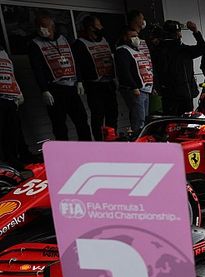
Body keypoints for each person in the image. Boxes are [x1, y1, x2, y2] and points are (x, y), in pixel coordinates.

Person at [27, 13, 90, 141]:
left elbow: (75, 60)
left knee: (81, 120)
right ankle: (63, 154)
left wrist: (79, 80)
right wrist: (44, 89)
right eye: (38, 26)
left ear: (52, 26)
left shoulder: (65, 39)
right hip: (54, 89)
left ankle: (87, 149)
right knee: (59, 124)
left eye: (44, 26)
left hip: (71, 86)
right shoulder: (35, 44)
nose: (41, 29)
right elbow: (37, 69)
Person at [72, 15, 117, 140]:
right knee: (98, 115)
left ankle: (112, 140)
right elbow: (77, 65)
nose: (101, 27)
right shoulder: (80, 43)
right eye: (98, 25)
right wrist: (79, 81)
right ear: (91, 27)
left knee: (112, 113)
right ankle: (98, 142)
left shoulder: (105, 40)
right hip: (94, 85)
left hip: (109, 83)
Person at [154, 19, 205, 115]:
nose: (179, 35)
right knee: (172, 122)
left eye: (179, 32)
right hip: (171, 94)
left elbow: (203, 49)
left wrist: (196, 32)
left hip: (186, 93)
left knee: (187, 121)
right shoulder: (161, 50)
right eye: (176, 33)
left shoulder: (183, 49)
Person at [115, 28, 154, 135]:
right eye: (132, 36)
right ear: (125, 37)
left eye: (137, 36)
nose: (136, 38)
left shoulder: (137, 50)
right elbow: (124, 71)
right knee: (138, 119)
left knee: (145, 118)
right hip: (135, 90)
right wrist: (133, 86)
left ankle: (143, 138)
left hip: (145, 89)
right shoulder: (122, 51)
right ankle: (137, 141)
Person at [0, 44, 32, 165]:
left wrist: (18, 92)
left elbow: (10, 75)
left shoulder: (3, 52)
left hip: (9, 97)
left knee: (13, 131)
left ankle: (14, 160)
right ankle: (6, 163)